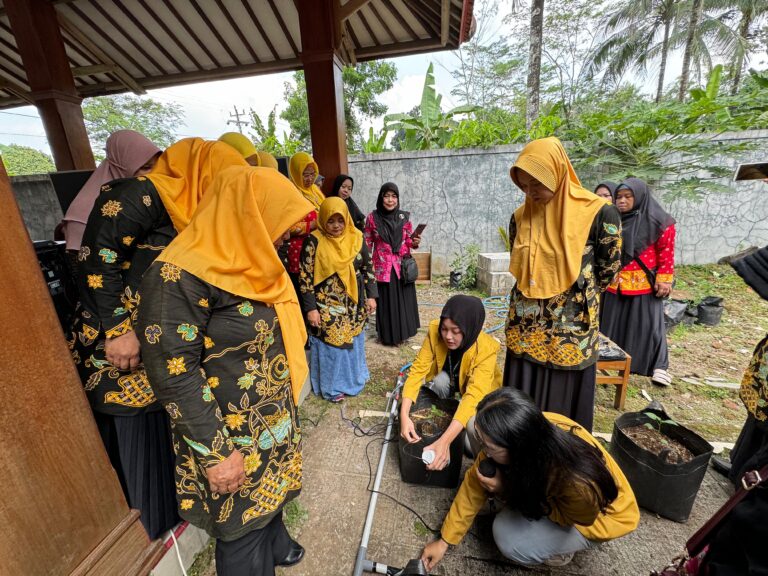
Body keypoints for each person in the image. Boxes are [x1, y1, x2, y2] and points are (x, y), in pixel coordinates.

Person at [137, 165, 312, 576]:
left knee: (272, 501)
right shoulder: (177, 276)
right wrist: (217, 455)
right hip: (227, 437)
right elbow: (173, 374)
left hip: (268, 421)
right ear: (249, 213)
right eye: (281, 223)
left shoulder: (252, 261)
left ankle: (277, 545)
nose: (287, 235)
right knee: (240, 530)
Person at [69, 138, 248, 539]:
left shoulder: (188, 205)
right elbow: (96, 260)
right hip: (121, 347)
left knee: (161, 422)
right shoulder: (142, 194)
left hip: (154, 340)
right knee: (136, 432)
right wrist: (117, 330)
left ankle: (168, 517)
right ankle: (145, 531)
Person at [420, 388, 639, 571]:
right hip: (535, 480)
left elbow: (571, 517)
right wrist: (445, 540)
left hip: (592, 518)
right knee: (473, 423)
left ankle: (558, 551)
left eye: (489, 447)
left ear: (518, 448)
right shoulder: (531, 428)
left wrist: (507, 490)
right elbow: (473, 484)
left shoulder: (573, 482)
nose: (482, 452)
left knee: (507, 536)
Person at [504, 137, 622, 431]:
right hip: (525, 327)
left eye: (537, 184)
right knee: (522, 403)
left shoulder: (599, 213)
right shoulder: (520, 217)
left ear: (557, 173)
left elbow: (608, 270)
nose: (530, 192)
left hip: (570, 331)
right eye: (524, 185)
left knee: (560, 417)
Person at [400, 295, 502, 466]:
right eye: (444, 329)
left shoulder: (487, 350)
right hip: (453, 382)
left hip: (482, 397)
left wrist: (444, 442)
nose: (448, 336)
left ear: (470, 328)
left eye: (455, 331)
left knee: (471, 434)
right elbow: (417, 371)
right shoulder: (434, 332)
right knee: (438, 383)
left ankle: (482, 466)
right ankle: (449, 415)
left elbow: (473, 396)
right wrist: (404, 416)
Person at [299, 197, 377, 403]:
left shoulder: (357, 237)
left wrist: (372, 296)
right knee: (333, 343)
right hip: (327, 304)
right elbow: (305, 278)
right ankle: (333, 388)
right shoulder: (313, 241)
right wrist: (311, 309)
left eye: (340, 220)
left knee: (353, 339)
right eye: (331, 221)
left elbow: (368, 268)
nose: (336, 226)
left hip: (354, 302)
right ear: (323, 220)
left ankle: (354, 378)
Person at [600, 177, 676, 386]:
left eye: (627, 197)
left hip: (644, 285)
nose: (622, 201)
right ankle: (612, 362)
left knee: (650, 327)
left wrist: (665, 279)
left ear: (640, 196)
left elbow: (666, 253)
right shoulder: (612, 220)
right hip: (615, 284)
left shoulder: (660, 222)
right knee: (611, 324)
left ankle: (658, 366)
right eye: (619, 197)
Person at [60, 130, 161, 252]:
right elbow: (81, 264)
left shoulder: (150, 201)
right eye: (146, 168)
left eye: (159, 167)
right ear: (120, 167)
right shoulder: (83, 215)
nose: (155, 174)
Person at [364, 182, 422, 346]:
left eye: (394, 196)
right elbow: (367, 243)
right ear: (381, 197)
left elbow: (409, 241)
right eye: (387, 196)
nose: (390, 200)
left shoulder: (404, 216)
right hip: (383, 267)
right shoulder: (372, 218)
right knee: (388, 302)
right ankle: (388, 337)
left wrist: (415, 242)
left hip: (401, 266)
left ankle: (405, 333)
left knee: (404, 300)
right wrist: (366, 265)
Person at [286, 152, 325, 305]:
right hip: (299, 252)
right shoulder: (290, 193)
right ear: (296, 172)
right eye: (305, 174)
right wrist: (312, 225)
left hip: (319, 247)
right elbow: (288, 226)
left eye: (312, 174)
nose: (309, 179)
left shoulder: (315, 191)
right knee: (305, 294)